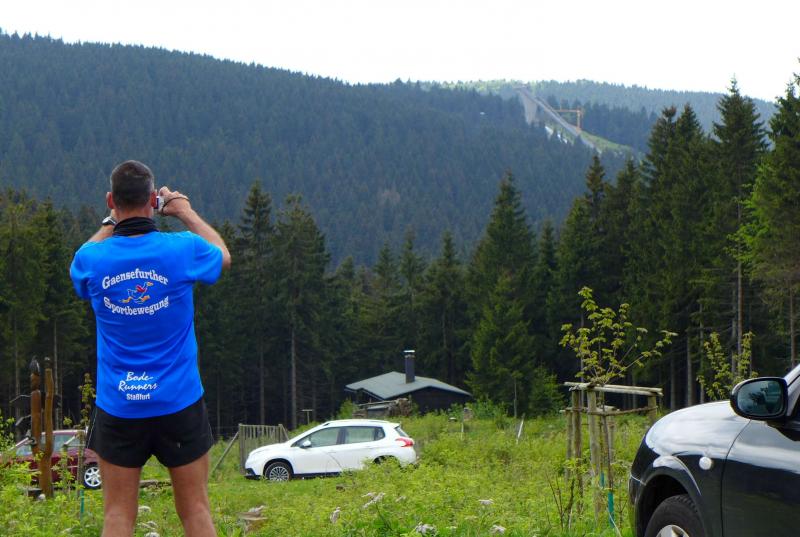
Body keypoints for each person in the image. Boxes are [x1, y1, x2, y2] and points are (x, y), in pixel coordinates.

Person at [70, 160, 231, 537]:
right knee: (196, 511)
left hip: (120, 405)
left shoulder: (92, 260)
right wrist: (185, 211)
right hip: (179, 401)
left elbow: (80, 262)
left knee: (117, 516)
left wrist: (110, 222)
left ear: (111, 200)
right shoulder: (182, 249)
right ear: (152, 201)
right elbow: (222, 255)